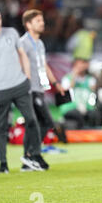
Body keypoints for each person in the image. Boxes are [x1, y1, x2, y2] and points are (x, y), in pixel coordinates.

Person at [0, 6, 47, 173]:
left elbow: (23, 55)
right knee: (0, 128)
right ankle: (3, 164)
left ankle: (31, 156)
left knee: (32, 120)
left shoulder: (11, 33)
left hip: (20, 85)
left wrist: (27, 78)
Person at [20, 9, 66, 168]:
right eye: (38, 21)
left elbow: (44, 65)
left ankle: (29, 159)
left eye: (42, 20)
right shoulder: (23, 43)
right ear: (28, 24)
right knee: (45, 121)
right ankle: (33, 154)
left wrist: (55, 83)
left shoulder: (39, 43)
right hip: (28, 89)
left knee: (36, 123)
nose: (42, 23)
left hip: (38, 88)